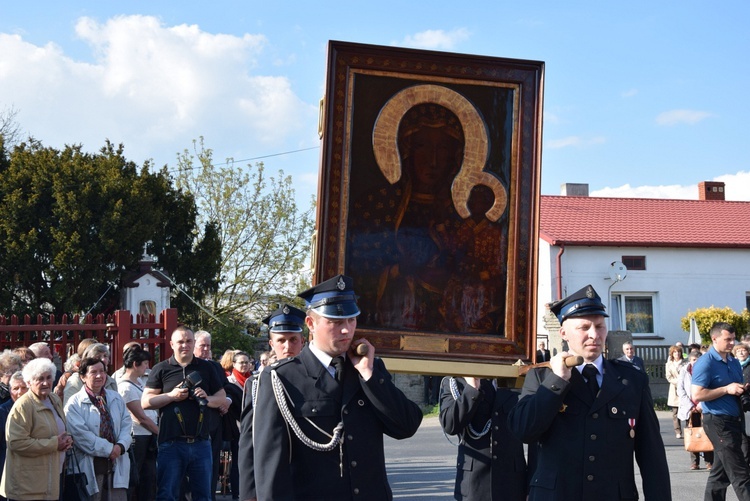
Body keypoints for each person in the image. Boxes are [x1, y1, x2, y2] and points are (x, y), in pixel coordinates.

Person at [253, 275, 423, 500]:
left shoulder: (369, 369)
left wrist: (370, 376)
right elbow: (271, 467)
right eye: (335, 322)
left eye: (351, 320)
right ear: (311, 324)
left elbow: (406, 426)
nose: (347, 330)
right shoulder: (282, 377)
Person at [507, 284, 671, 500]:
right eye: (584, 328)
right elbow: (523, 430)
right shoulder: (542, 377)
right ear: (564, 333)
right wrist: (557, 382)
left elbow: (652, 454)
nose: (594, 335)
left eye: (600, 326)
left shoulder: (631, 379)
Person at [142, 326, 225, 501]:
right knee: (167, 495)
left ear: (194, 343)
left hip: (201, 442)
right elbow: (146, 402)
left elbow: (222, 397)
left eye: (188, 341)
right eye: (180, 341)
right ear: (172, 344)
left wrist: (207, 398)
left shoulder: (207, 368)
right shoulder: (161, 368)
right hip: (171, 443)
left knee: (203, 496)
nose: (184, 345)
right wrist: (171, 396)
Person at [238, 303, 306, 501]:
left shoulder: (318, 379)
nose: (287, 347)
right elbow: (248, 440)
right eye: (281, 340)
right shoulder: (257, 384)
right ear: (271, 343)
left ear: (302, 341)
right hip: (271, 479)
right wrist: (249, 492)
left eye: (293, 340)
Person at [439, 376, 527, 500]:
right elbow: (450, 425)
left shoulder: (516, 378)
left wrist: (531, 484)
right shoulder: (454, 381)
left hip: (512, 483)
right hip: (474, 484)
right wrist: (472, 389)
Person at [692, 322, 750, 500]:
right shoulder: (705, 363)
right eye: (728, 339)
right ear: (714, 339)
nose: (732, 343)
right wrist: (726, 389)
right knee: (740, 472)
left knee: (720, 474)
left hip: (735, 420)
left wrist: (742, 389)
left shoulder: (732, 361)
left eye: (733, 339)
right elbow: (698, 394)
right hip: (718, 421)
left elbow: (734, 387)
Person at [0, 358, 72, 500]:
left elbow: (57, 428)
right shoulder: (23, 406)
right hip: (29, 485)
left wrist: (66, 439)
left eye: (48, 377)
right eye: (40, 379)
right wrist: (54, 444)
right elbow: (16, 443)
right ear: (28, 383)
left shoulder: (54, 399)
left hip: (52, 477)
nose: (45, 383)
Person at [65, 357, 132, 501]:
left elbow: (127, 424)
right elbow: (81, 436)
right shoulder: (74, 404)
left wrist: (120, 446)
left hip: (117, 462)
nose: (99, 376)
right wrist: (110, 449)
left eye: (102, 371)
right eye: (93, 372)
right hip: (92, 465)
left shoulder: (115, 397)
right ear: (82, 377)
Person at [193, 330, 231, 501]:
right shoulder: (189, 366)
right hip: (194, 425)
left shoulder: (215, 367)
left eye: (208, 346)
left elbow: (226, 389)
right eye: (202, 345)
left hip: (215, 423)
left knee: (213, 464)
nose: (206, 349)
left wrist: (227, 401)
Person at [117, 345, 158, 501]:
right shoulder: (125, 387)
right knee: (134, 477)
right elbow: (140, 417)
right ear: (135, 364)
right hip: (138, 436)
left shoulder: (139, 382)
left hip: (147, 435)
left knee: (149, 478)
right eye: (145, 363)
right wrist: (159, 431)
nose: (147, 367)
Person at [678, 349, 714, 470]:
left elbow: (709, 388)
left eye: (697, 360)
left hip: (704, 406)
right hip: (689, 408)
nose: (695, 362)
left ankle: (709, 461)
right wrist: (691, 406)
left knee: (706, 433)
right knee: (692, 434)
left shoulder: (706, 370)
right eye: (693, 360)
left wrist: (701, 405)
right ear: (689, 360)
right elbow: (680, 390)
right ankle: (695, 462)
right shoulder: (684, 371)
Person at [0, 371, 28, 493]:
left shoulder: (36, 408)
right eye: (16, 388)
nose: (20, 392)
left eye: (24, 388)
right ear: (10, 390)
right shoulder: (3, 411)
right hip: (8, 466)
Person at [666, 344, 686, 438]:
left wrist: (683, 382)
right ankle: (678, 431)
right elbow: (668, 377)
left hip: (685, 388)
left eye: (678, 352)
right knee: (675, 412)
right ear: (672, 354)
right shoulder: (669, 364)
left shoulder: (685, 363)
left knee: (687, 410)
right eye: (675, 352)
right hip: (674, 389)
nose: (677, 354)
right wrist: (677, 381)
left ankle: (688, 429)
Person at [736, 343, 750, 465]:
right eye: (738, 350)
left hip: (748, 403)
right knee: (743, 436)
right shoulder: (733, 366)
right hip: (737, 404)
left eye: (743, 350)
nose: (741, 353)